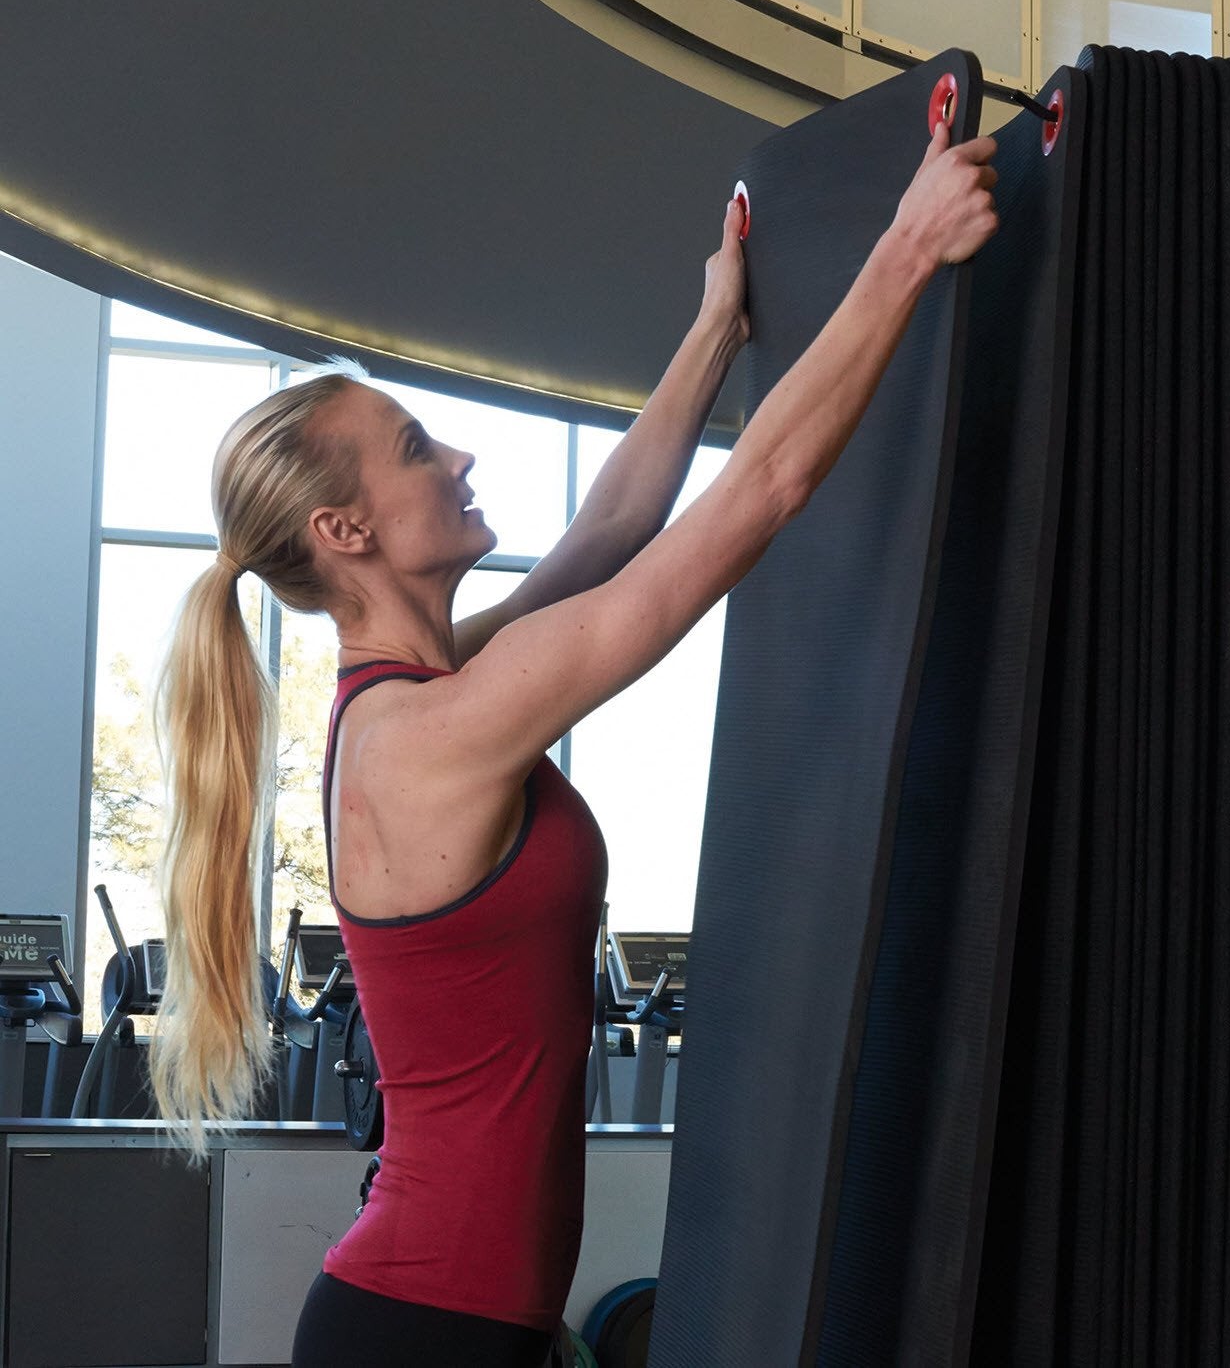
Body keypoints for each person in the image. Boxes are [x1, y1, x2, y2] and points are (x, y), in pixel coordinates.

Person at [147, 120, 999, 1367]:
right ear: (345, 530)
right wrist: (906, 249)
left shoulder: (442, 689)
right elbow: (754, 498)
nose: (460, 451)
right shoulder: (429, 734)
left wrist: (717, 327)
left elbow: (610, 531)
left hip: (459, 1321)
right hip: (426, 1333)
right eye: (415, 449)